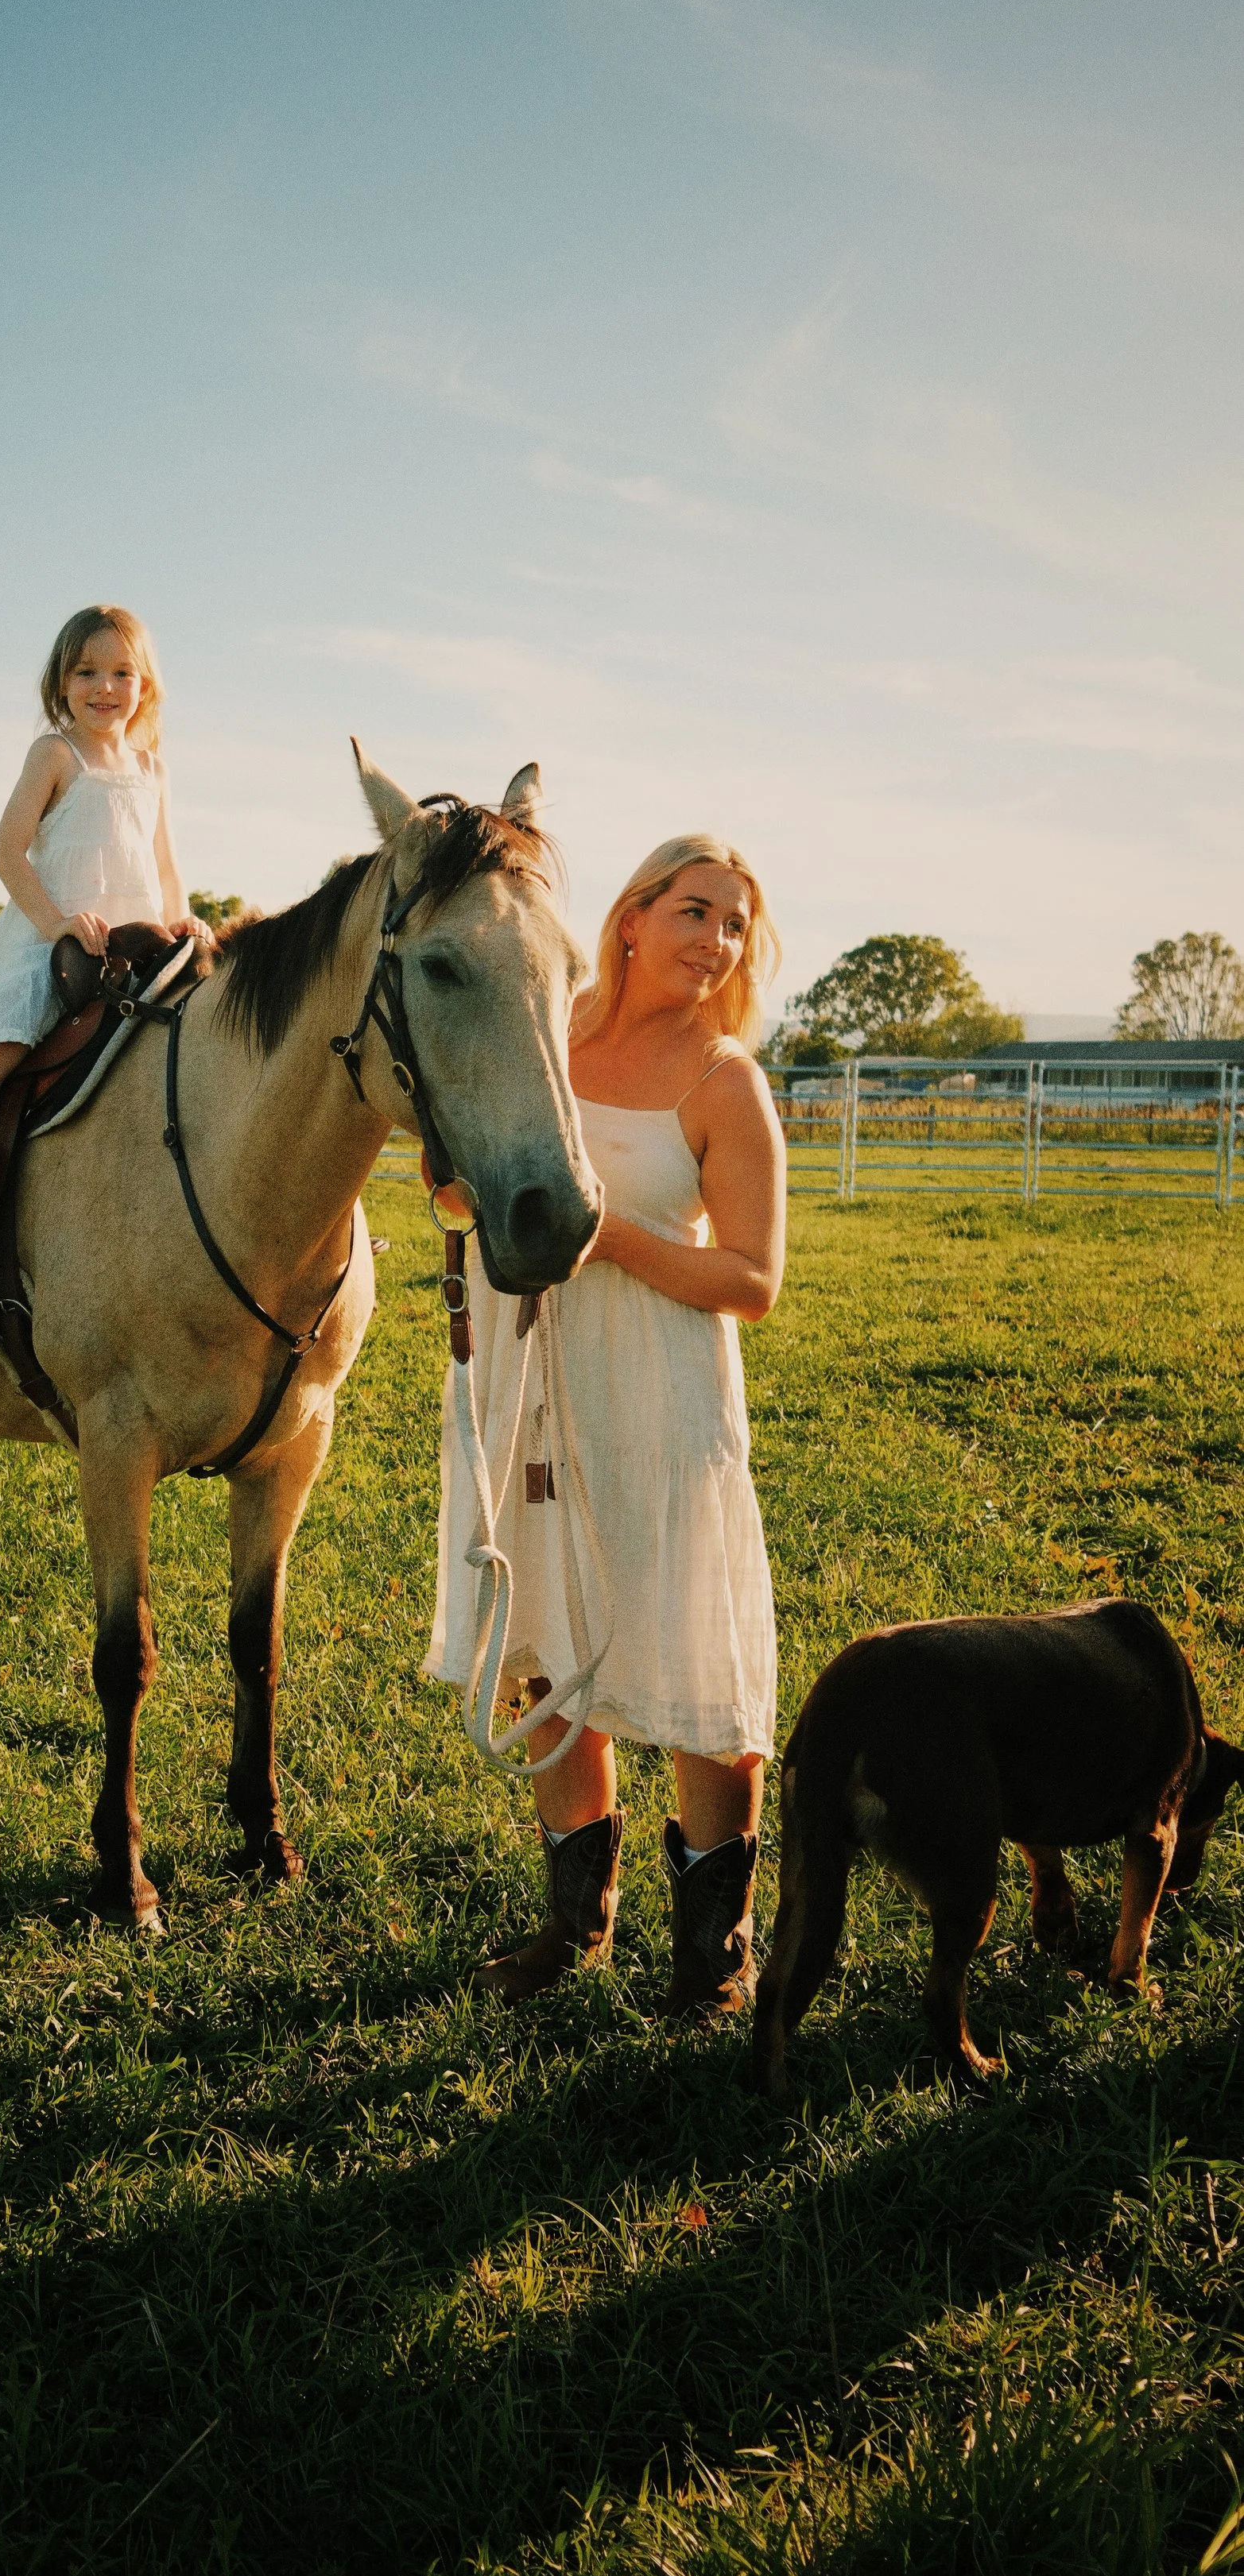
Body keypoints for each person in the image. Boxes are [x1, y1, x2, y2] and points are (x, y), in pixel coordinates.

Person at [425, 834, 786, 2018]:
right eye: (695, 910)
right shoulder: (546, 1028)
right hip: (526, 1381)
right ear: (630, 917)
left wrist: (610, 1236)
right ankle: (575, 1924)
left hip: (660, 1397)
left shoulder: (724, 1078)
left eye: (734, 923)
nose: (716, 940)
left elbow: (752, 1278)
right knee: (547, 1644)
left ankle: (711, 1953)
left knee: (691, 1664)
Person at [0, 604, 208, 1274]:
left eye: (122, 673)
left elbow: (164, 865)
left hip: (138, 944)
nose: (106, 688)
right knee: (0, 1048)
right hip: (52, 943)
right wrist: (57, 925)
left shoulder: (153, 770)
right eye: (87, 672)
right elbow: (8, 852)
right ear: (62, 682)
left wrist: (182, 917)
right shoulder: (54, 754)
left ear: (145, 685)